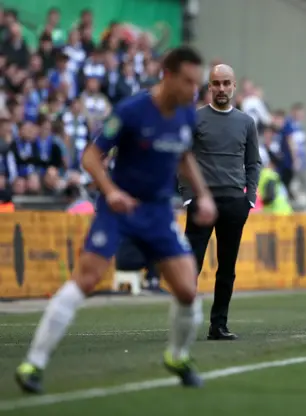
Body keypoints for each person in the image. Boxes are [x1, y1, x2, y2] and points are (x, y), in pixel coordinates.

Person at [15, 46, 216, 394]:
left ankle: (177, 356)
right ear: (167, 76)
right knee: (87, 279)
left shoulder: (185, 113)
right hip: (118, 208)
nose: (192, 90)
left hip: (156, 212)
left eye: (196, 83)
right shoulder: (131, 111)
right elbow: (91, 157)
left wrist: (204, 195)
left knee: (187, 290)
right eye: (187, 81)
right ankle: (34, 362)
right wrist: (110, 192)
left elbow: (183, 156)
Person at [179, 64, 261, 341]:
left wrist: (249, 200)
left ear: (234, 86)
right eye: (216, 83)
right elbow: (183, 158)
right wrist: (189, 195)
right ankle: (185, 322)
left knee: (227, 268)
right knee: (190, 265)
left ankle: (219, 325)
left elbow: (253, 163)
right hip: (202, 202)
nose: (222, 89)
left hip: (234, 202)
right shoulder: (195, 119)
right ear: (209, 86)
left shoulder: (247, 122)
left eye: (226, 83)